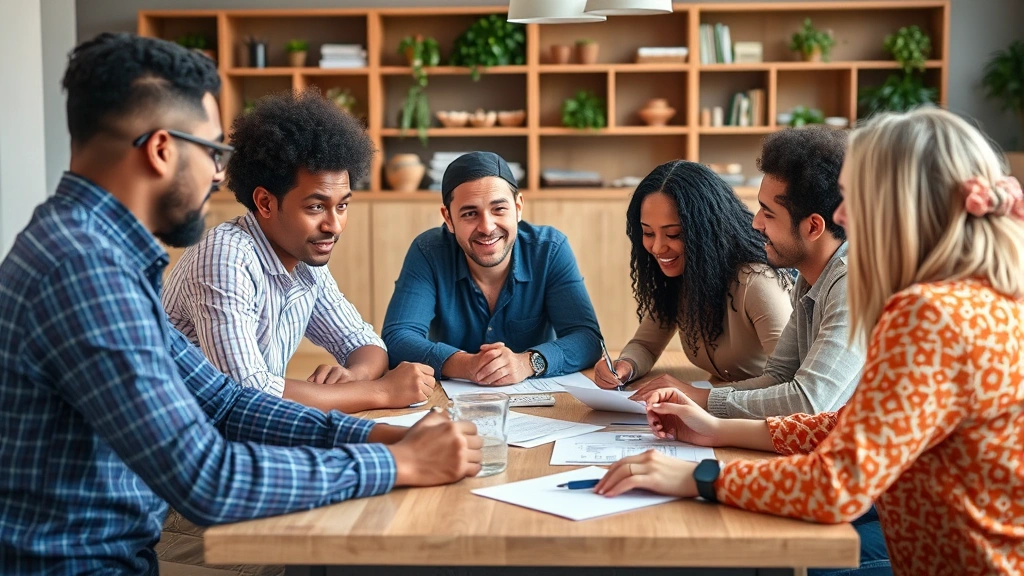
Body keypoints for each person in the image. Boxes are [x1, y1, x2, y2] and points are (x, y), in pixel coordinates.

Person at [0, 33, 481, 574]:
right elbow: (207, 477)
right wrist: (395, 461)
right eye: (212, 152)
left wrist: (384, 431)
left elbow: (227, 401)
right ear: (162, 149)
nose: (218, 174)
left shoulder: (99, 254)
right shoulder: (84, 272)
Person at [596, 108, 1024, 576]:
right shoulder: (979, 298)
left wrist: (697, 475)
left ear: (898, 209)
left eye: (854, 198)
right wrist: (716, 430)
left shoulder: (930, 313)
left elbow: (835, 483)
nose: (842, 216)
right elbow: (849, 423)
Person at [163, 90, 435, 413]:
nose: (334, 225)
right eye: (316, 206)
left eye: (343, 205)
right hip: (180, 446)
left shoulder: (307, 262)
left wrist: (354, 376)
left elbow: (366, 344)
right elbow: (248, 395)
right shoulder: (225, 257)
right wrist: (380, 392)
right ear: (265, 203)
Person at [631, 127, 865, 420]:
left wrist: (702, 401)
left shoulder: (853, 285)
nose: (755, 224)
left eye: (768, 214)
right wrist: (698, 400)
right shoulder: (809, 279)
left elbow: (809, 402)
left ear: (813, 227)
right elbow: (779, 377)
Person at [382, 151, 602, 385]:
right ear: (448, 219)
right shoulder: (428, 252)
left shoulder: (550, 250)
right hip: (451, 405)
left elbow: (587, 339)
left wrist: (526, 363)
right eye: (470, 214)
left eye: (499, 209)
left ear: (518, 208)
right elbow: (397, 339)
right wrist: (466, 365)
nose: (487, 227)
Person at [592, 160, 793, 390]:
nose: (658, 248)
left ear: (708, 230)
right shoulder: (683, 276)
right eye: (648, 232)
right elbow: (646, 345)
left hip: (762, 415)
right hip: (721, 406)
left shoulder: (756, 281)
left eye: (674, 234)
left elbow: (789, 381)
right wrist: (625, 367)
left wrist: (698, 396)